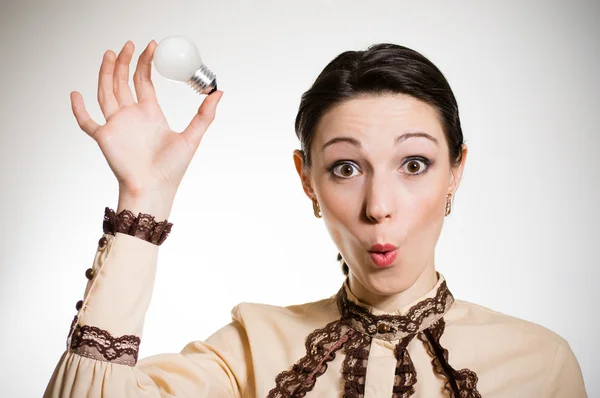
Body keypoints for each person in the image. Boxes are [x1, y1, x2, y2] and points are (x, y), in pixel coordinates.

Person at [43, 39, 587, 398]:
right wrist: (145, 196)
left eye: (414, 164)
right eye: (346, 167)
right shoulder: (253, 349)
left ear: (455, 172)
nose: (378, 207)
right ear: (308, 181)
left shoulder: (541, 364)